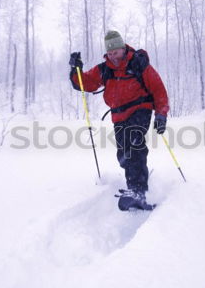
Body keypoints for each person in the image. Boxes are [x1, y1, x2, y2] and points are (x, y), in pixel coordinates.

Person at [69, 30, 169, 210]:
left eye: (115, 51)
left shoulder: (139, 63)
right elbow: (86, 83)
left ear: (123, 48)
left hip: (140, 109)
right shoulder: (105, 68)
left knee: (134, 143)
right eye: (110, 53)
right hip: (118, 115)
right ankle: (134, 185)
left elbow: (158, 89)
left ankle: (138, 189)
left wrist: (161, 114)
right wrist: (76, 70)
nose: (113, 56)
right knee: (123, 153)